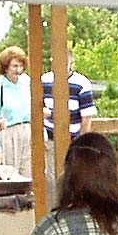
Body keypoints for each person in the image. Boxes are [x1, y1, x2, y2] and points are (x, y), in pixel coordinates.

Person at [42, 49, 97, 205]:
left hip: (73, 139)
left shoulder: (82, 83)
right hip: (50, 139)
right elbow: (36, 109)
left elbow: (86, 118)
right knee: (51, 180)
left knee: (73, 177)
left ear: (71, 63)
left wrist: (82, 143)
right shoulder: (44, 81)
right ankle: (53, 212)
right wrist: (41, 135)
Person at [0, 45, 32, 177]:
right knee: (11, 176)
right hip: (8, 134)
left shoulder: (26, 82)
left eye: (21, 66)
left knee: (29, 175)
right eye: (14, 66)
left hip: (27, 131)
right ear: (5, 67)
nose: (18, 70)